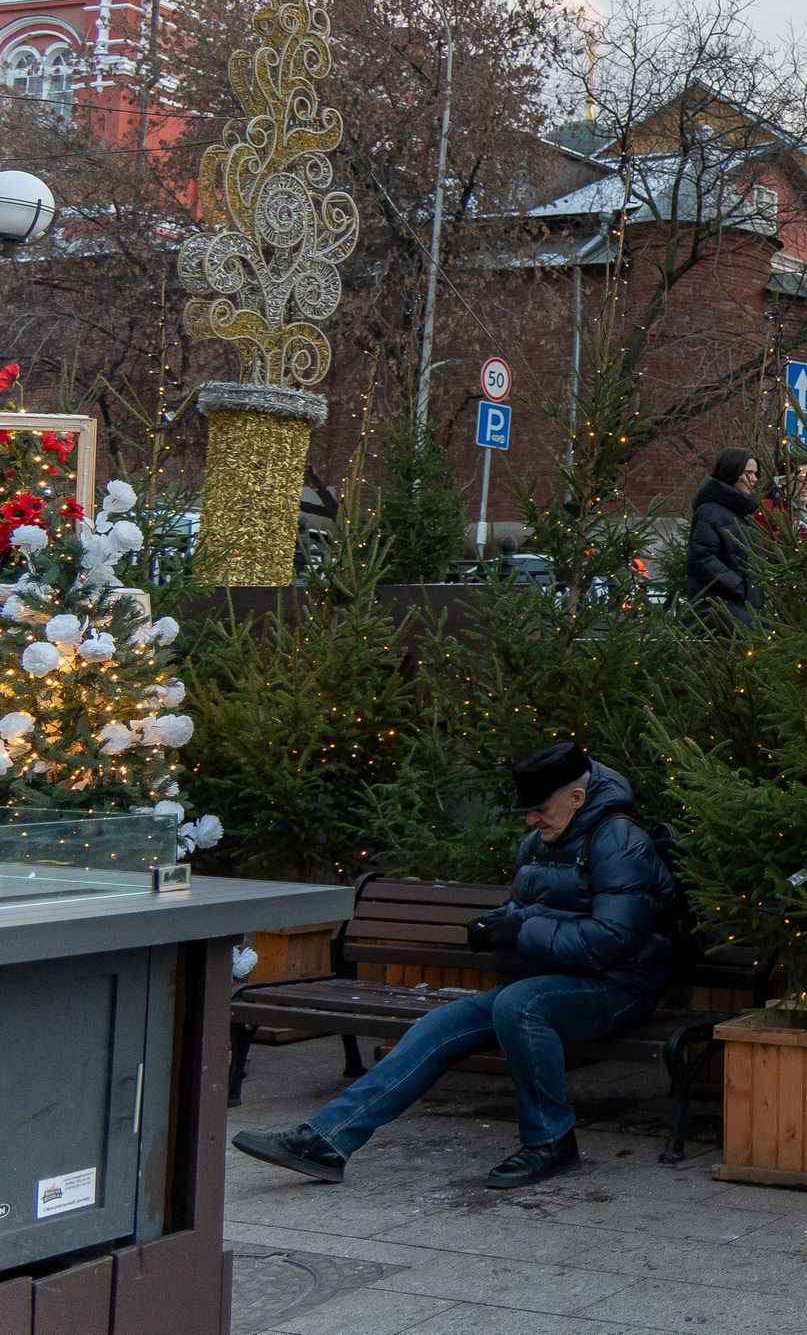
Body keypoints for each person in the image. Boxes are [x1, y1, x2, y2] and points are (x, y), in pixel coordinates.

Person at [232, 743, 675, 1190]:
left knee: (520, 1005)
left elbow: (612, 941)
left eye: (539, 809)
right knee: (442, 1023)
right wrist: (492, 925)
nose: (530, 819)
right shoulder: (541, 841)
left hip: (620, 987)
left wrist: (520, 930)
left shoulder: (619, 841)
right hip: (547, 983)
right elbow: (522, 910)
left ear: (576, 799)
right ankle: (326, 1140)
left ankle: (551, 1142)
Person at [684, 447, 762, 632]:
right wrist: (740, 587)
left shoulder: (741, 513)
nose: (754, 479)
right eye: (748, 473)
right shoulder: (711, 510)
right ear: (730, 474)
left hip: (740, 606)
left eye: (755, 474)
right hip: (719, 608)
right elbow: (701, 558)